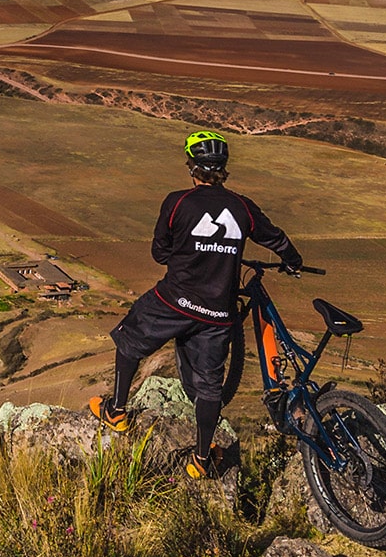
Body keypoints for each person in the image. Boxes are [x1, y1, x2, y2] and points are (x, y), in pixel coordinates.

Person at [87, 129, 302, 478]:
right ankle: (202, 461)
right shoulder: (242, 207)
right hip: (218, 315)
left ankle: (117, 411)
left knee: (129, 340)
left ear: (192, 167)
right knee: (209, 387)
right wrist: (292, 260)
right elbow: (275, 238)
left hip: (174, 301)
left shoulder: (177, 203)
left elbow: (159, 254)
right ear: (224, 168)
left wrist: (187, 253)